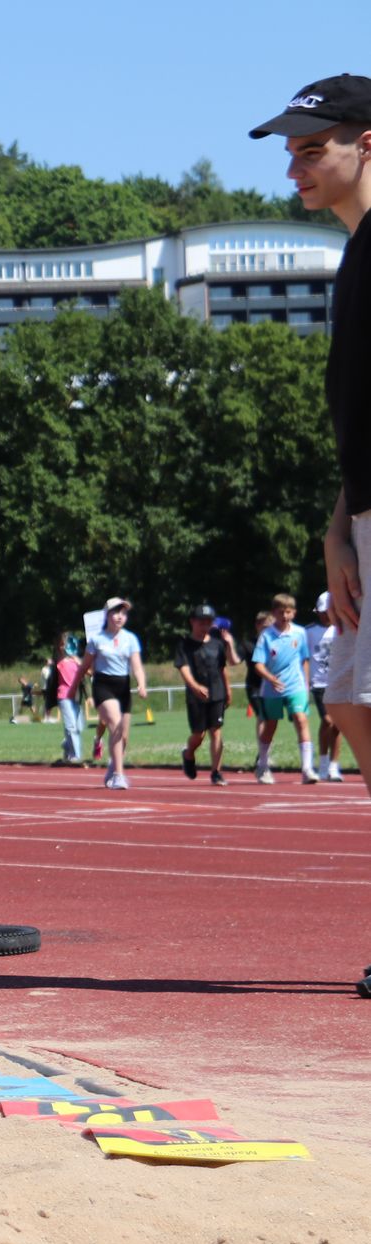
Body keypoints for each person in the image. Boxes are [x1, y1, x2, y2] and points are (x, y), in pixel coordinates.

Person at [262, 79, 371, 993]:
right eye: (290, 151)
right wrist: (339, 526)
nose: (293, 166)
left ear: (368, 144)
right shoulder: (355, 254)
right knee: (349, 703)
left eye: (311, 148)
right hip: (366, 516)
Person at [251, 593, 318, 784]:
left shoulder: (300, 632)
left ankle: (307, 769)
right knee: (270, 726)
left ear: (294, 613)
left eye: (288, 612)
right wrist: (270, 678)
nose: (285, 616)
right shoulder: (266, 636)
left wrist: (306, 684)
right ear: (274, 613)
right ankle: (263, 765)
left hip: (296, 686)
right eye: (281, 612)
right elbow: (258, 664)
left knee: (301, 720)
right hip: (272, 689)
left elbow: (304, 659)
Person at [85, 599, 149, 789]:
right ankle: (119, 775)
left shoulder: (130, 639)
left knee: (124, 735)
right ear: (107, 615)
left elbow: (137, 666)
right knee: (115, 725)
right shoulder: (96, 639)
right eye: (115, 612)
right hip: (103, 685)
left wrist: (141, 684)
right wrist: (73, 688)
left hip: (123, 687)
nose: (120, 616)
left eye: (123, 613)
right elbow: (85, 666)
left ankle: (113, 767)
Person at [176, 604, 238, 787]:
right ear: (192, 622)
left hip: (217, 692)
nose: (205, 626)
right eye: (201, 622)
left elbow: (224, 667)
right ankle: (188, 753)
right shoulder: (184, 644)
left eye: (208, 622)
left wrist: (228, 690)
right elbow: (183, 668)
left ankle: (216, 772)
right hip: (196, 696)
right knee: (199, 734)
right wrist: (195, 687)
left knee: (216, 731)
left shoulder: (217, 644)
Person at [309, 591, 344, 781]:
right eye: (322, 612)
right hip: (319, 683)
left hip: (339, 681)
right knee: (328, 720)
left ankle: (333, 766)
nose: (326, 615)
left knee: (338, 724)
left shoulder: (343, 629)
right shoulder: (308, 632)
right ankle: (322, 764)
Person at [52, 632, 85, 765]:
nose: (64, 647)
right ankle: (75, 756)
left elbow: (88, 672)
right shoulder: (59, 661)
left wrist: (79, 661)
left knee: (79, 726)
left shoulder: (76, 661)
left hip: (75, 696)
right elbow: (58, 660)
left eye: (67, 644)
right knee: (71, 726)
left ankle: (67, 744)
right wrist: (65, 653)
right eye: (63, 645)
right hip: (64, 696)